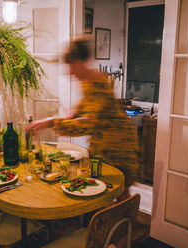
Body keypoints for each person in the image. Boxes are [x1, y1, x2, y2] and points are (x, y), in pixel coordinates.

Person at [26, 38, 139, 201]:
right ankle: (108, 221)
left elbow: (90, 124)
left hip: (119, 146)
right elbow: (82, 107)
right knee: (102, 186)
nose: (69, 72)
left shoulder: (97, 83)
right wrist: (69, 116)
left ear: (80, 62)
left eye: (71, 66)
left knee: (119, 189)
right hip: (104, 143)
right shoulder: (89, 82)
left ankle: (124, 223)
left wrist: (51, 122)